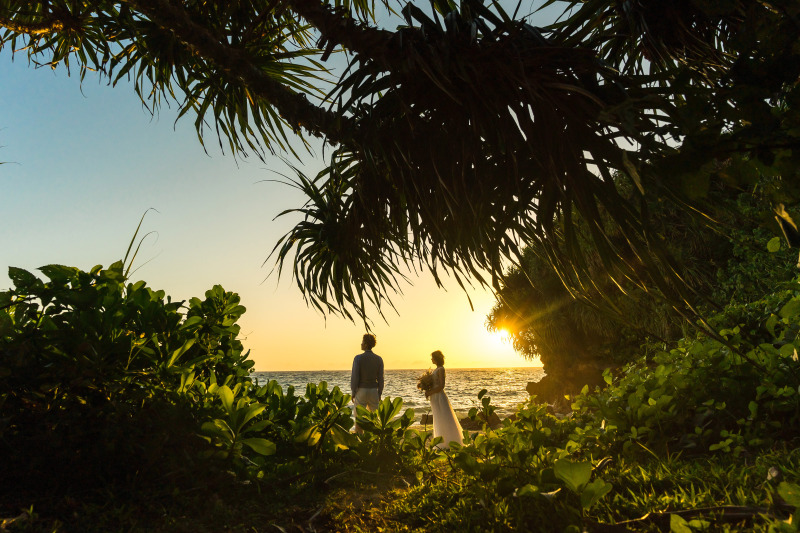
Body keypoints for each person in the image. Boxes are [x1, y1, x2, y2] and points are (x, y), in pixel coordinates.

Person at [425, 350, 463, 448]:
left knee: (444, 417)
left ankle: (449, 441)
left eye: (432, 357)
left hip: (439, 396)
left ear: (436, 358)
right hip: (434, 397)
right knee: (438, 418)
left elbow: (441, 386)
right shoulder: (436, 369)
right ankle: (441, 441)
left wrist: (430, 392)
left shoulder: (441, 369)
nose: (431, 359)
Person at [350, 333, 384, 433]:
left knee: (359, 419)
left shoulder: (358, 358)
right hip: (373, 391)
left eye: (362, 342)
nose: (361, 344)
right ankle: (374, 439)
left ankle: (360, 439)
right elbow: (381, 378)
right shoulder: (379, 359)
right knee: (375, 419)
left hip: (361, 390)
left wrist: (353, 392)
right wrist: (379, 393)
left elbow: (355, 377)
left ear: (365, 344)